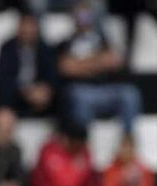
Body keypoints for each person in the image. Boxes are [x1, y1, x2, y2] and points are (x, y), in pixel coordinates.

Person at [56, 0, 143, 135]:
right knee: (77, 96)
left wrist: (81, 65)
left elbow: (114, 61)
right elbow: (66, 68)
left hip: (105, 89)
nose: (83, 19)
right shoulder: (66, 43)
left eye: (86, 15)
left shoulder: (103, 40)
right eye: (80, 15)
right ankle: (82, 139)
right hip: (80, 90)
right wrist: (98, 62)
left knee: (129, 94)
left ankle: (127, 138)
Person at [0, 11, 57, 116]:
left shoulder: (45, 49)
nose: (28, 30)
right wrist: (26, 91)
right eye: (25, 26)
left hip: (39, 96)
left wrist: (44, 89)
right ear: (18, 28)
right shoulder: (7, 48)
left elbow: (51, 75)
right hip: (15, 95)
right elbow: (3, 76)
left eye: (31, 27)